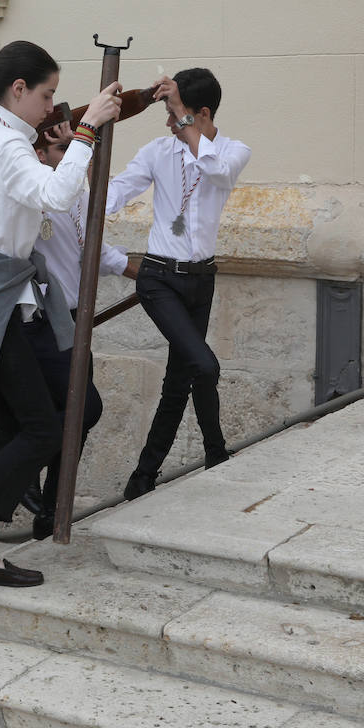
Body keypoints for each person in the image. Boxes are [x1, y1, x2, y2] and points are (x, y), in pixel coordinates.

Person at [0, 41, 123, 590]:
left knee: (60, 412)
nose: (50, 106)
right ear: (18, 90)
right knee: (42, 426)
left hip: (21, 296)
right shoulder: (5, 143)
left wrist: (78, 136)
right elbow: (58, 197)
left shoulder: (4, 132)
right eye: (47, 94)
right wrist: (87, 129)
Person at [106, 67, 251, 500]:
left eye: (177, 115)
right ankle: (217, 454)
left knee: (178, 381)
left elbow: (218, 173)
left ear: (202, 113)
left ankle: (143, 476)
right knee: (204, 366)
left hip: (201, 279)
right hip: (159, 279)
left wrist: (186, 123)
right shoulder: (157, 151)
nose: (171, 124)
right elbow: (112, 197)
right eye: (170, 116)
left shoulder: (233, 150)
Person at [21, 137, 139, 539]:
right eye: (62, 150)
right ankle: (22, 472)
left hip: (74, 321)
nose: (76, 159)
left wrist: (147, 273)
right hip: (42, 320)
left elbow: (96, 252)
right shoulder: (33, 194)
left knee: (76, 417)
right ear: (41, 156)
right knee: (83, 408)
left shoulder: (78, 196)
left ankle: (51, 507)